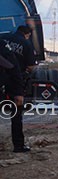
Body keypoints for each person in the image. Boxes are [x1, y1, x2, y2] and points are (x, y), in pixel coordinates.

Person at [2, 25, 35, 153]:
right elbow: (31, 67)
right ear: (27, 34)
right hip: (15, 81)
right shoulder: (26, 44)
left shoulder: (3, 37)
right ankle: (18, 146)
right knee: (16, 115)